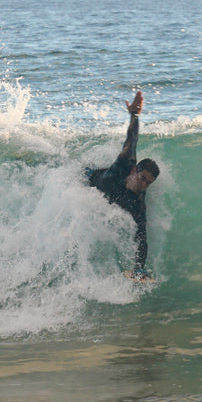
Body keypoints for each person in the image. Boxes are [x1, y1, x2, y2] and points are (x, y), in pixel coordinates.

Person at [86, 90, 160, 277]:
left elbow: (142, 238)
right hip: (87, 179)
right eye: (142, 178)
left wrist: (139, 266)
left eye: (148, 183)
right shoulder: (124, 165)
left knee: (141, 231)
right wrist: (134, 116)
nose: (144, 184)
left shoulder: (137, 204)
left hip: (108, 199)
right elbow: (132, 140)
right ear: (134, 171)